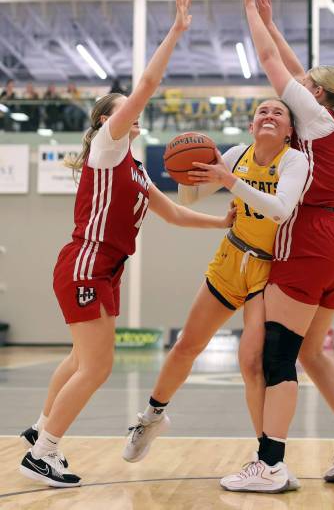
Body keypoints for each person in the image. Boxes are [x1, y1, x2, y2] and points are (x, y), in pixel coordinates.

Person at [18, 0, 236, 489]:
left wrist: (221, 223)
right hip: (86, 264)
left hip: (103, 269)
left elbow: (176, 214)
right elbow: (148, 82)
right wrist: (176, 32)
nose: (135, 112)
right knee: (97, 367)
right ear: (106, 120)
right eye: (124, 110)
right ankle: (45, 451)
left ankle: (38, 430)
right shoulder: (108, 146)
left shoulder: (134, 168)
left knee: (79, 361)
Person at [219, 0, 334, 494]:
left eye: (307, 84)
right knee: (313, 352)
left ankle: (269, 464)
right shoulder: (331, 123)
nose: (297, 83)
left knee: (280, 354)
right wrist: (271, 20)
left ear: (318, 96)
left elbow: (271, 62)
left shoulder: (314, 121)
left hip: (309, 240)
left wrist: (250, 14)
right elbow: (290, 65)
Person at [122, 94, 309, 482]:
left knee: (251, 363)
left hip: (266, 269)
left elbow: (279, 209)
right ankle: (152, 416)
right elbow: (191, 197)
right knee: (187, 344)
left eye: (278, 112)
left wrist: (229, 180)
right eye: (262, 111)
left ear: (290, 130)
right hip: (230, 258)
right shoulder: (237, 153)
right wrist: (187, 175)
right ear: (252, 124)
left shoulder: (293, 160)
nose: (269, 115)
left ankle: (267, 459)